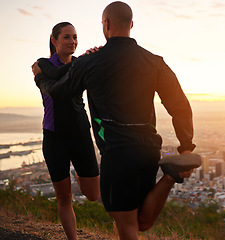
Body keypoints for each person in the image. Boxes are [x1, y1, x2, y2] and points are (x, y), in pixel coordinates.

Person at [32, 2, 200, 239]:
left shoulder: (90, 62)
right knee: (142, 221)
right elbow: (180, 106)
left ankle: (171, 175)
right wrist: (185, 145)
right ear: (131, 25)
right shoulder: (155, 61)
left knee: (127, 225)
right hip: (149, 149)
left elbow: (60, 92)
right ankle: (171, 175)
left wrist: (40, 78)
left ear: (106, 24)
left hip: (117, 151)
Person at [34, 22, 100, 240]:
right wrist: (83, 60)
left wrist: (92, 58)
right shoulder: (43, 65)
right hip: (55, 137)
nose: (73, 41)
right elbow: (58, 73)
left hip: (80, 134)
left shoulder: (79, 63)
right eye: (67, 37)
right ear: (54, 41)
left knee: (93, 194)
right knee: (64, 197)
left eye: (75, 37)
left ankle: (78, 173)